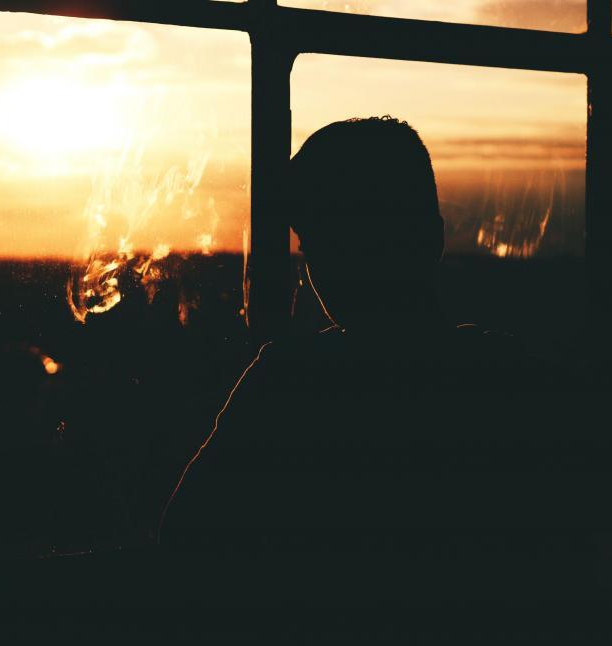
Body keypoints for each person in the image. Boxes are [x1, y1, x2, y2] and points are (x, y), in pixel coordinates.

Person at [159, 117, 556, 609]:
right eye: (317, 247)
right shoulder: (510, 377)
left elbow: (186, 540)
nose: (319, 270)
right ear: (433, 240)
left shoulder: (288, 385)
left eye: (320, 245)